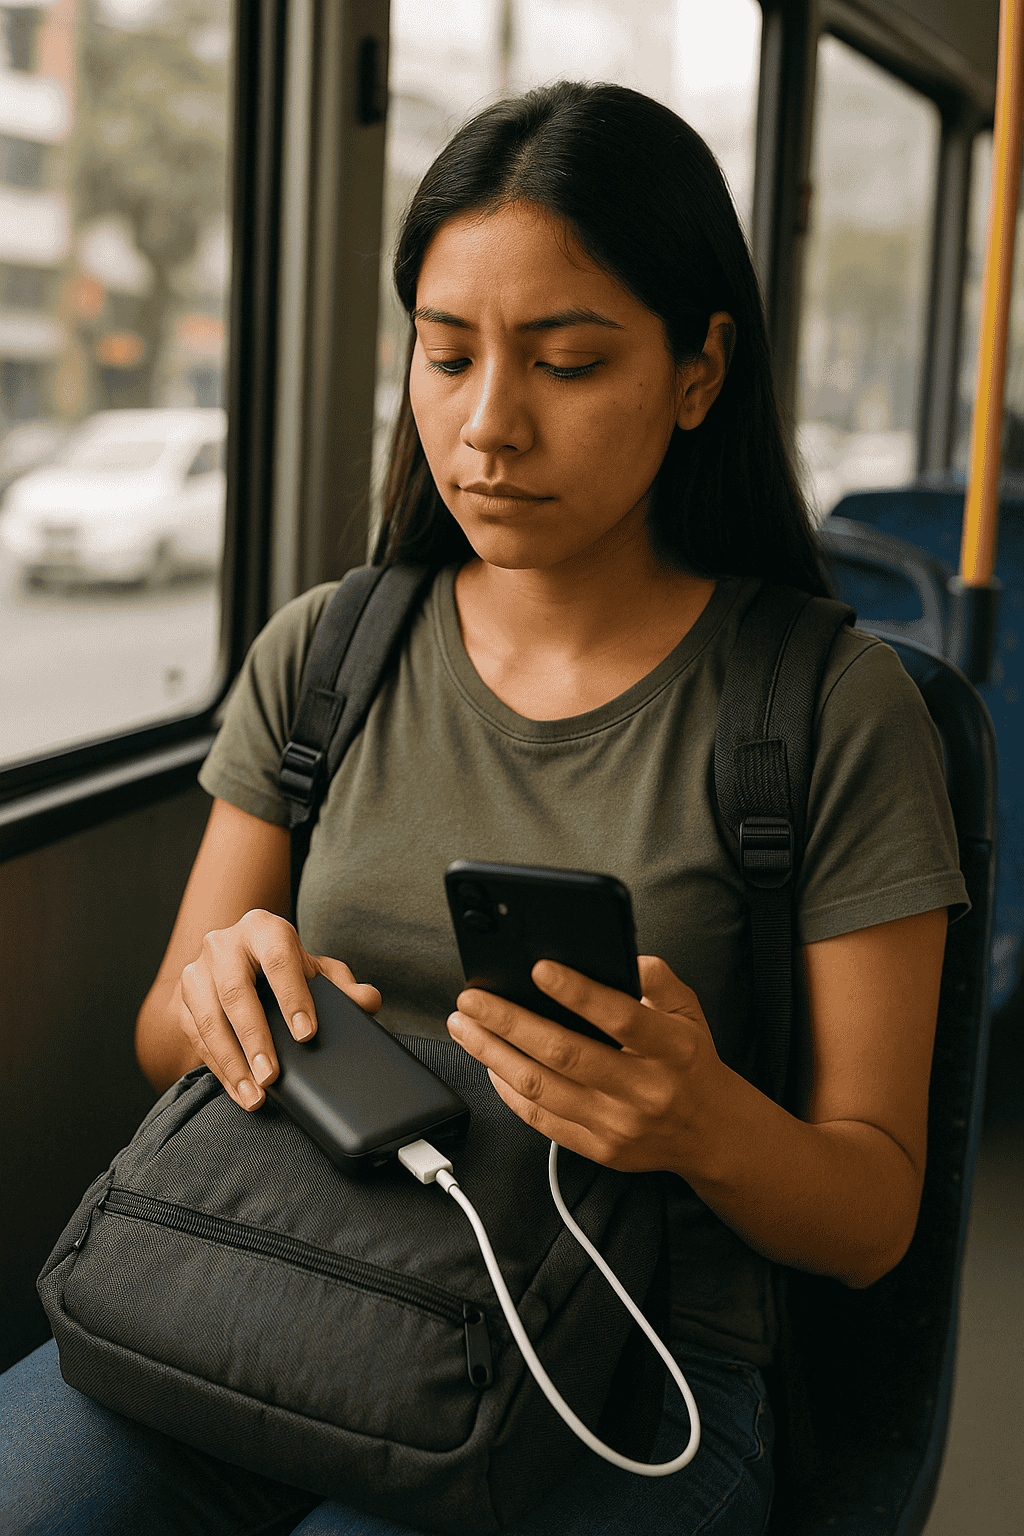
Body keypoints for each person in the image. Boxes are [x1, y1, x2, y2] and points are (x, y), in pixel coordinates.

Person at [1, 81, 967, 1536]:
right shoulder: (327, 654)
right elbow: (161, 1037)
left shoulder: (830, 714)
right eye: (446, 358)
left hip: (641, 1359)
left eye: (568, 364)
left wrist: (700, 1121)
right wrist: (232, 994)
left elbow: (874, 1212)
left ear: (700, 372)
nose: (489, 426)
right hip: (287, 1278)